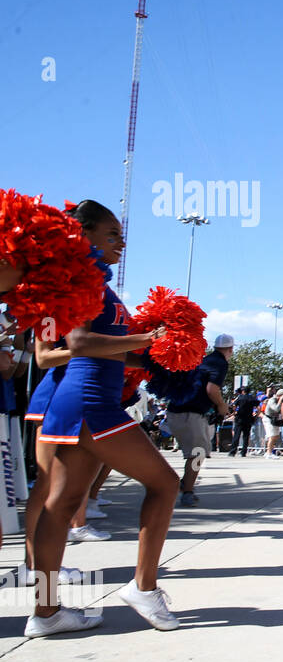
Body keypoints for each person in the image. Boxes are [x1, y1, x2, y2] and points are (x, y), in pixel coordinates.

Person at [30, 200, 180, 636]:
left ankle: (45, 613)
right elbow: (75, 342)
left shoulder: (90, 284)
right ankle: (144, 589)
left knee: (60, 505)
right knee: (165, 483)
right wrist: (149, 338)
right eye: (112, 233)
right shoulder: (83, 283)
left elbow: (99, 346)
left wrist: (157, 357)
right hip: (89, 400)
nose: (121, 241)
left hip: (77, 401)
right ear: (85, 235)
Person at [168, 333, 234, 507]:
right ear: (230, 349)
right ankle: (187, 490)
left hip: (177, 410)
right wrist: (221, 406)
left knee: (198, 451)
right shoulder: (220, 363)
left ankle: (185, 483)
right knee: (198, 453)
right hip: (191, 413)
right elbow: (212, 389)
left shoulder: (204, 360)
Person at [228, 384, 259, 456]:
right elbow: (258, 407)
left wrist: (234, 412)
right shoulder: (252, 398)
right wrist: (256, 415)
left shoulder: (240, 397)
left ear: (243, 391)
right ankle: (243, 452)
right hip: (248, 418)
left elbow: (234, 405)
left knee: (237, 435)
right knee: (246, 435)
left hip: (239, 418)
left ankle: (232, 452)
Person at [261, 386, 283, 459]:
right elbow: (276, 409)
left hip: (274, 420)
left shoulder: (278, 401)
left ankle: (269, 451)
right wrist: (281, 400)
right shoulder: (272, 400)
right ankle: (269, 453)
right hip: (268, 419)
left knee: (276, 436)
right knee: (272, 436)